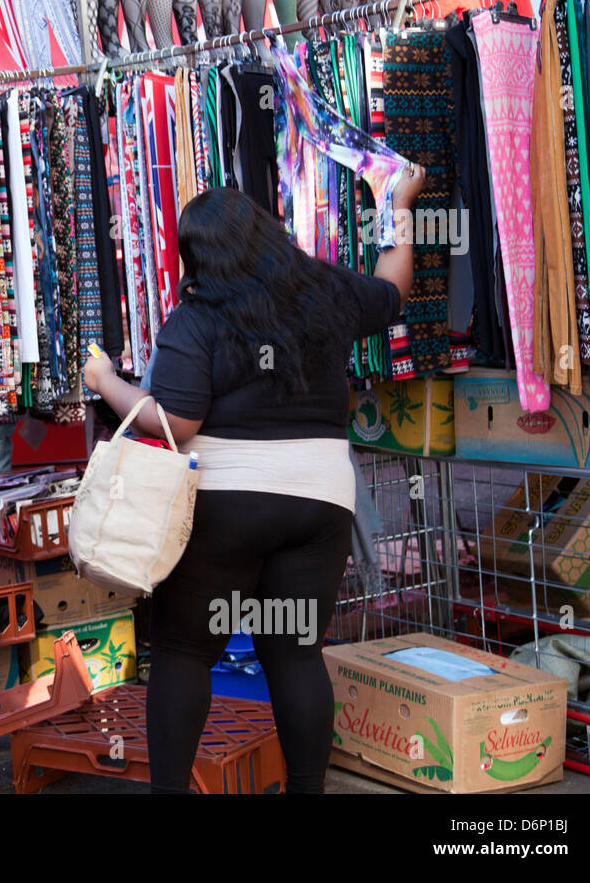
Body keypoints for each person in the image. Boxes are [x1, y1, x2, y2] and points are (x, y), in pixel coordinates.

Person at [82, 169, 426, 793]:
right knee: (294, 654)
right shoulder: (324, 291)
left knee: (186, 652)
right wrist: (396, 205)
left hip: (225, 508)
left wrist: (106, 382)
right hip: (320, 503)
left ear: (195, 257)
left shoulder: (198, 315)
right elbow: (393, 286)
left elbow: (176, 423)